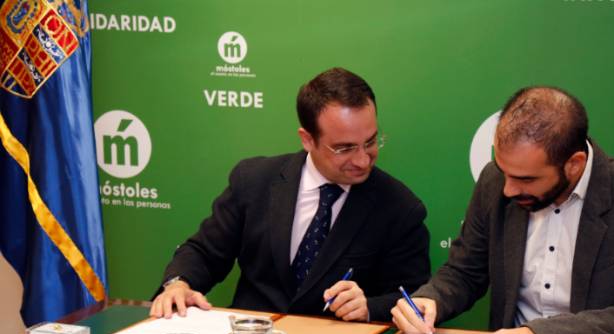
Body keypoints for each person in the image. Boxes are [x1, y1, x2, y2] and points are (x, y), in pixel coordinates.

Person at [391, 86, 614, 334]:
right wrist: (431, 300)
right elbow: (465, 272)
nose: (508, 190)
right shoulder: (495, 181)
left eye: (526, 179)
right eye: (504, 172)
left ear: (574, 164)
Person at [151, 67, 430, 321]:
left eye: (370, 142)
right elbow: (204, 252)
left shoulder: (399, 208)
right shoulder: (254, 180)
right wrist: (178, 283)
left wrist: (369, 307)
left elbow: (415, 298)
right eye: (344, 148)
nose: (362, 159)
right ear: (307, 139)